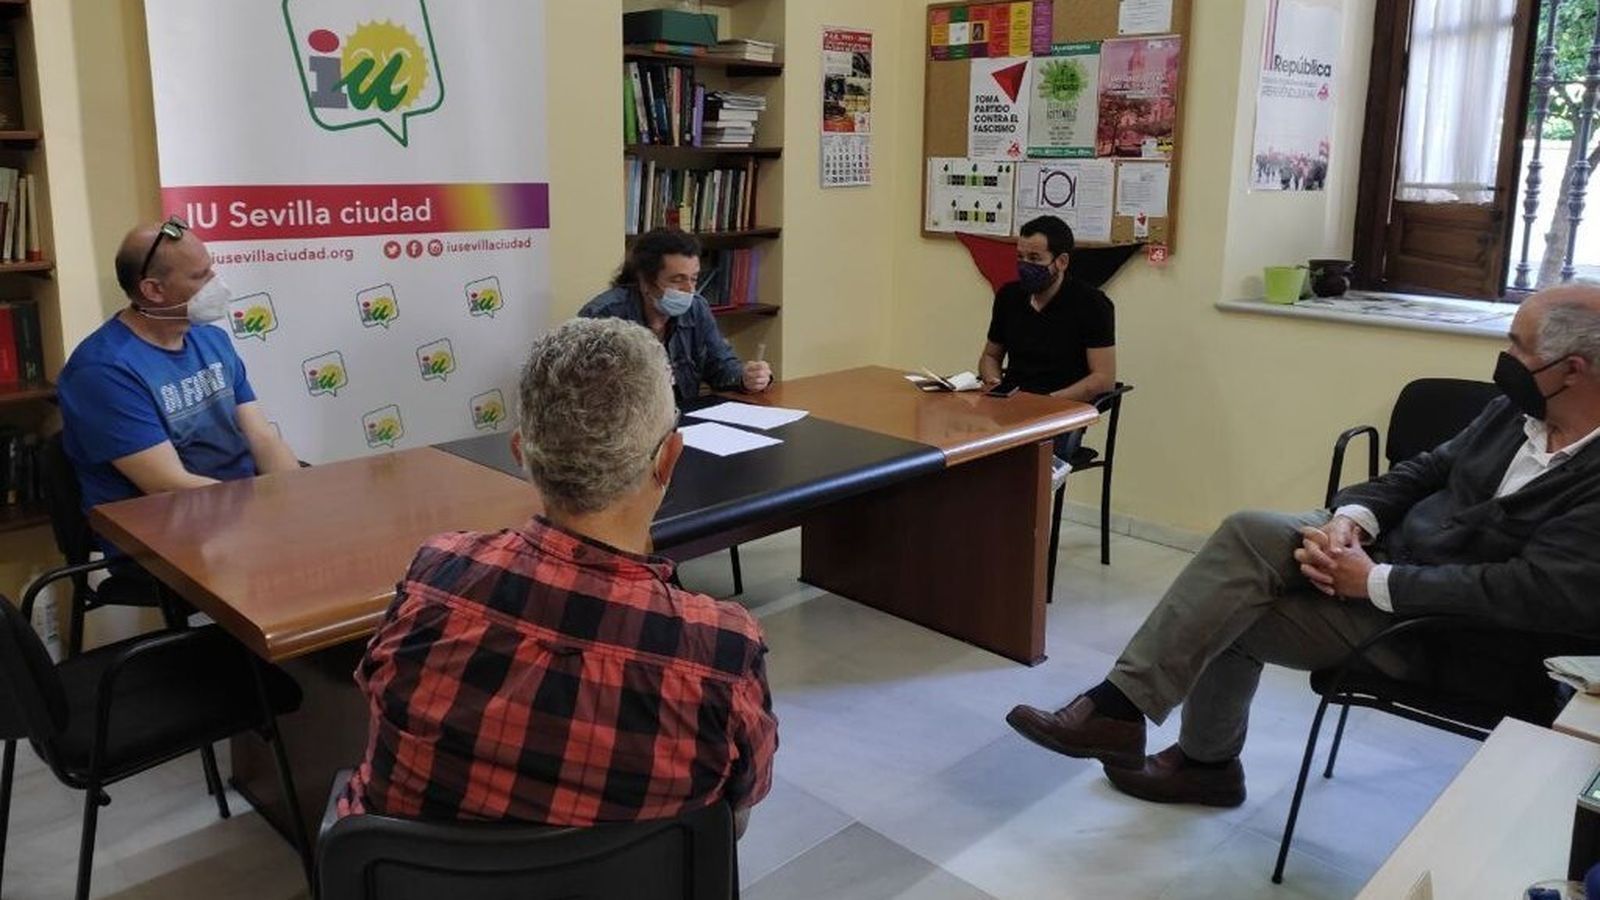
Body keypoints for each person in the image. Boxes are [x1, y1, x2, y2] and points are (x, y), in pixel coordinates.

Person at [1005, 284, 1600, 807]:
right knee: (1247, 533)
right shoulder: (1514, 413)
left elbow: (1534, 592)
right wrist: (1353, 519)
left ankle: (1190, 758)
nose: (1504, 358)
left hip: (1446, 631)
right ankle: (1127, 714)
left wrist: (1369, 581)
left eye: (1518, 346)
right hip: (1384, 556)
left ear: (1572, 370)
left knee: (1228, 602)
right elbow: (1424, 470)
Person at [340, 317, 779, 835]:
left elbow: (374, 698)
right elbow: (741, 804)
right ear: (669, 459)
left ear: (522, 455)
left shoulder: (433, 575)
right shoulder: (722, 652)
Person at [57, 216, 299, 517]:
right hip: (167, 534)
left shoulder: (213, 341)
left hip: (239, 512)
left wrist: (295, 499)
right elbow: (167, 486)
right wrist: (258, 514)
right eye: (200, 275)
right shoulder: (102, 371)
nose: (217, 282)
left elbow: (262, 438)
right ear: (154, 290)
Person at [580, 228, 772, 403]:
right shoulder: (603, 316)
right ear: (645, 281)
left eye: (694, 279)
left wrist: (745, 377)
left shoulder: (696, 308)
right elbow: (580, 393)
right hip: (626, 430)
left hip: (684, 422)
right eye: (677, 280)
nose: (689, 289)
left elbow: (720, 366)